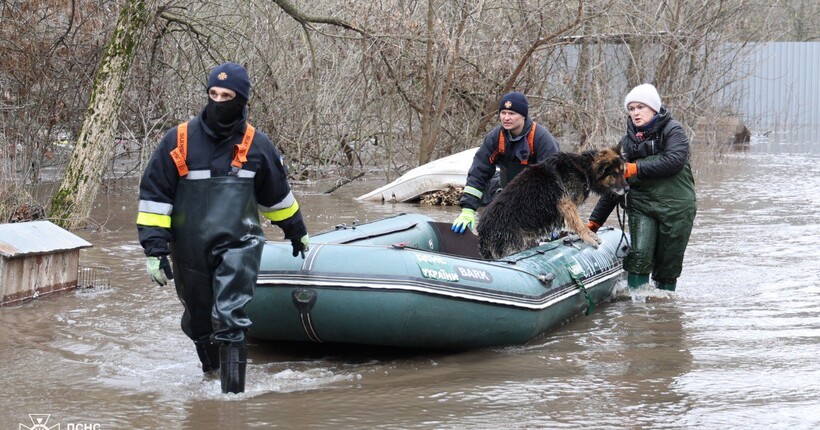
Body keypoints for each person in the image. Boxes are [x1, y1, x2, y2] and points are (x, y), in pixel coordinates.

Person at [136, 62, 309, 394]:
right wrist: (155, 250)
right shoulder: (178, 140)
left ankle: (232, 399)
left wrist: (295, 229)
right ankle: (212, 377)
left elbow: (277, 197)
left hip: (239, 244)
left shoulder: (257, 145)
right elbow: (155, 197)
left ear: (241, 100)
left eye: (226, 95)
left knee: (230, 315)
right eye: (212, 93)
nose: (218, 101)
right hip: (189, 248)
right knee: (199, 320)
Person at [586, 83, 696, 291]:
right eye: (631, 109)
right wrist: (594, 222)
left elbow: (674, 161)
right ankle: (636, 310)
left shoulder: (673, 131)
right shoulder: (626, 143)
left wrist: (634, 168)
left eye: (640, 107)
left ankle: (662, 311)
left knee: (668, 264)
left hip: (677, 208)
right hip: (642, 207)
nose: (635, 113)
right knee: (639, 257)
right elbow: (615, 187)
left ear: (654, 108)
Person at [451, 92, 560, 233]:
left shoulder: (542, 139)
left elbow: (553, 182)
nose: (506, 118)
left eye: (512, 113)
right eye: (503, 112)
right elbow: (479, 172)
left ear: (523, 115)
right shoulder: (495, 138)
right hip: (508, 192)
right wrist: (467, 209)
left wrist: (550, 216)